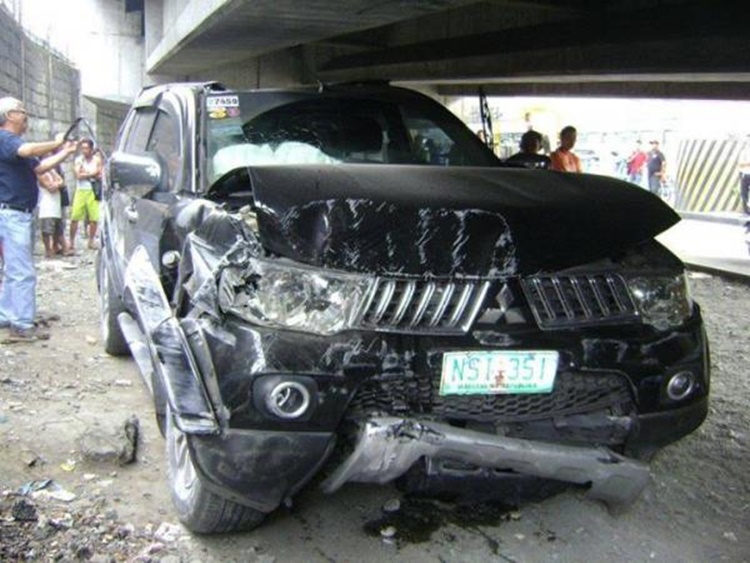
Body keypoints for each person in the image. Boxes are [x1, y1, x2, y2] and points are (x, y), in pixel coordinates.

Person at [0, 96, 76, 341]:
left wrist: (64, 152)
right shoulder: (7, 139)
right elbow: (29, 150)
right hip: (12, 214)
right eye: (22, 112)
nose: (26, 117)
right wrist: (56, 142)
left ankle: (7, 316)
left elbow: (39, 167)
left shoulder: (13, 144)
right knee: (22, 270)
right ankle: (21, 324)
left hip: (15, 213)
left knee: (13, 268)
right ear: (10, 115)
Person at [69, 138, 103, 251]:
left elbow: (100, 174)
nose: (84, 150)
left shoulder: (97, 160)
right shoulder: (79, 160)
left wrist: (86, 173)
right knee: (75, 217)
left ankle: (91, 241)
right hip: (81, 190)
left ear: (91, 149)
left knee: (94, 218)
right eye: (82, 148)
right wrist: (91, 174)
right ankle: (71, 242)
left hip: (92, 190)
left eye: (86, 148)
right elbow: (78, 175)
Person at [38, 162, 71, 258]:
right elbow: (50, 187)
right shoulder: (41, 174)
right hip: (47, 205)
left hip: (56, 205)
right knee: (47, 230)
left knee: (58, 228)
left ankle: (56, 247)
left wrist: (54, 175)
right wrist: (58, 183)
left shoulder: (53, 172)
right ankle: (48, 249)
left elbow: (62, 182)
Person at [738, 137, 750, 214]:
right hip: (745, 175)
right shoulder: (744, 152)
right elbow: (740, 164)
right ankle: (746, 211)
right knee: (744, 193)